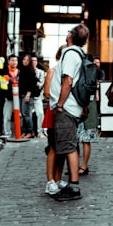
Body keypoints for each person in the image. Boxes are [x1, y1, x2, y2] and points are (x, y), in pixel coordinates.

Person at [49, 25, 89, 201]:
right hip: (72, 106)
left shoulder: (71, 54)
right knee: (68, 145)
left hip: (67, 107)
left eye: (69, 32)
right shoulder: (78, 53)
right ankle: (72, 184)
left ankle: (74, 186)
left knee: (69, 146)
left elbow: (68, 80)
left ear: (72, 35)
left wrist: (60, 104)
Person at [43, 46, 68, 195]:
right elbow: (46, 93)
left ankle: (58, 179)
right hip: (54, 112)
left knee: (63, 149)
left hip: (66, 111)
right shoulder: (52, 71)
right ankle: (50, 181)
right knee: (53, 147)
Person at [77, 56, 101, 175]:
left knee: (79, 139)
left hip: (80, 105)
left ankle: (78, 165)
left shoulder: (79, 69)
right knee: (86, 140)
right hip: (89, 106)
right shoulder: (93, 71)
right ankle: (83, 166)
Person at [18, 52, 39, 137]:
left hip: (27, 95)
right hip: (21, 94)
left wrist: (28, 95)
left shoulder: (30, 71)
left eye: (27, 60)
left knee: (26, 114)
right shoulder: (22, 69)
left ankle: (30, 131)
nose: (25, 61)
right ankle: (25, 131)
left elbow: (31, 84)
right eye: (24, 59)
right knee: (23, 114)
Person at [31, 54, 45, 138]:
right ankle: (31, 131)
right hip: (28, 96)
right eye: (32, 61)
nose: (33, 62)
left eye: (35, 61)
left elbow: (40, 84)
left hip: (37, 96)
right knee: (27, 115)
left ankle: (40, 132)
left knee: (40, 113)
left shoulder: (41, 72)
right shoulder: (26, 71)